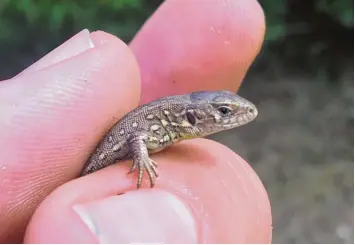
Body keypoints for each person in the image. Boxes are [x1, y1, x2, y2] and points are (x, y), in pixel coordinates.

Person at [0, 0, 271, 243]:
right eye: (224, 111)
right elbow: (138, 137)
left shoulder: (171, 125)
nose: (233, 115)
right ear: (192, 115)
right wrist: (141, 159)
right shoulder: (162, 125)